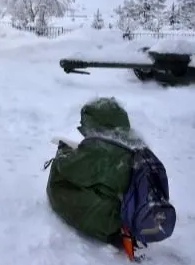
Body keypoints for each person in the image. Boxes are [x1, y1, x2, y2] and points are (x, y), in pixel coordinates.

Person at [45, 97, 145, 248]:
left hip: (110, 217)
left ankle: (108, 228)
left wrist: (63, 150)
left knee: (58, 185)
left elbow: (69, 167)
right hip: (134, 208)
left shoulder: (102, 149)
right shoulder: (134, 143)